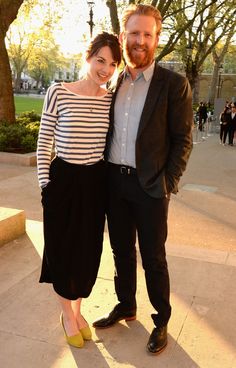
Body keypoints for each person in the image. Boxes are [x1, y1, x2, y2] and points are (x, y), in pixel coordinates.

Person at [92, 4, 193, 355]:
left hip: (151, 188)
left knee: (153, 257)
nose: (140, 40)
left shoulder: (174, 85)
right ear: (124, 37)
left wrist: (168, 183)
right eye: (134, 33)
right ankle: (126, 305)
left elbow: (183, 140)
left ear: (157, 39)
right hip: (114, 185)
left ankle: (161, 318)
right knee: (121, 251)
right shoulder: (113, 81)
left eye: (147, 34)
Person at [36, 32, 122, 348]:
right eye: (101, 60)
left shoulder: (110, 99)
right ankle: (67, 315)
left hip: (95, 183)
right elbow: (44, 142)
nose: (106, 69)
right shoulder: (58, 91)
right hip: (63, 181)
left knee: (87, 252)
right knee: (61, 251)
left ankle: (78, 310)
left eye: (112, 64)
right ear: (87, 57)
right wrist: (45, 185)